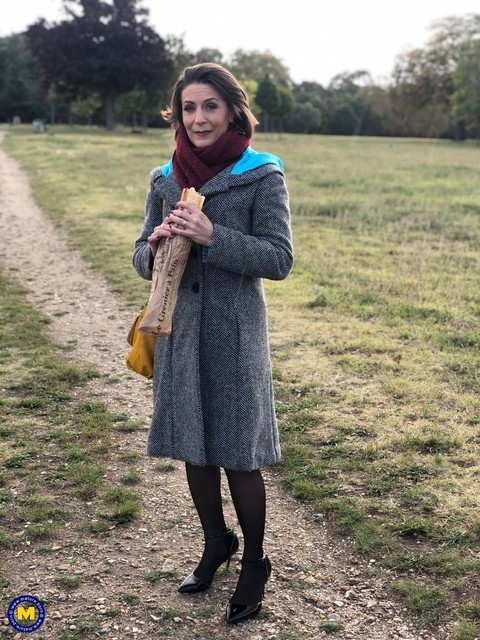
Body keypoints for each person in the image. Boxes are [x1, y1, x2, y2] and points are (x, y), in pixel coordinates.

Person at [132, 62, 293, 625]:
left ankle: (255, 561)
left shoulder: (262, 173)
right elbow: (137, 254)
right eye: (188, 108)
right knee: (192, 447)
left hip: (235, 335)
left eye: (209, 107)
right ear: (178, 114)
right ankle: (214, 542)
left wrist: (212, 236)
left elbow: (279, 258)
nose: (198, 118)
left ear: (231, 111)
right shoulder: (163, 177)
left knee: (239, 455)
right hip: (178, 331)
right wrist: (152, 248)